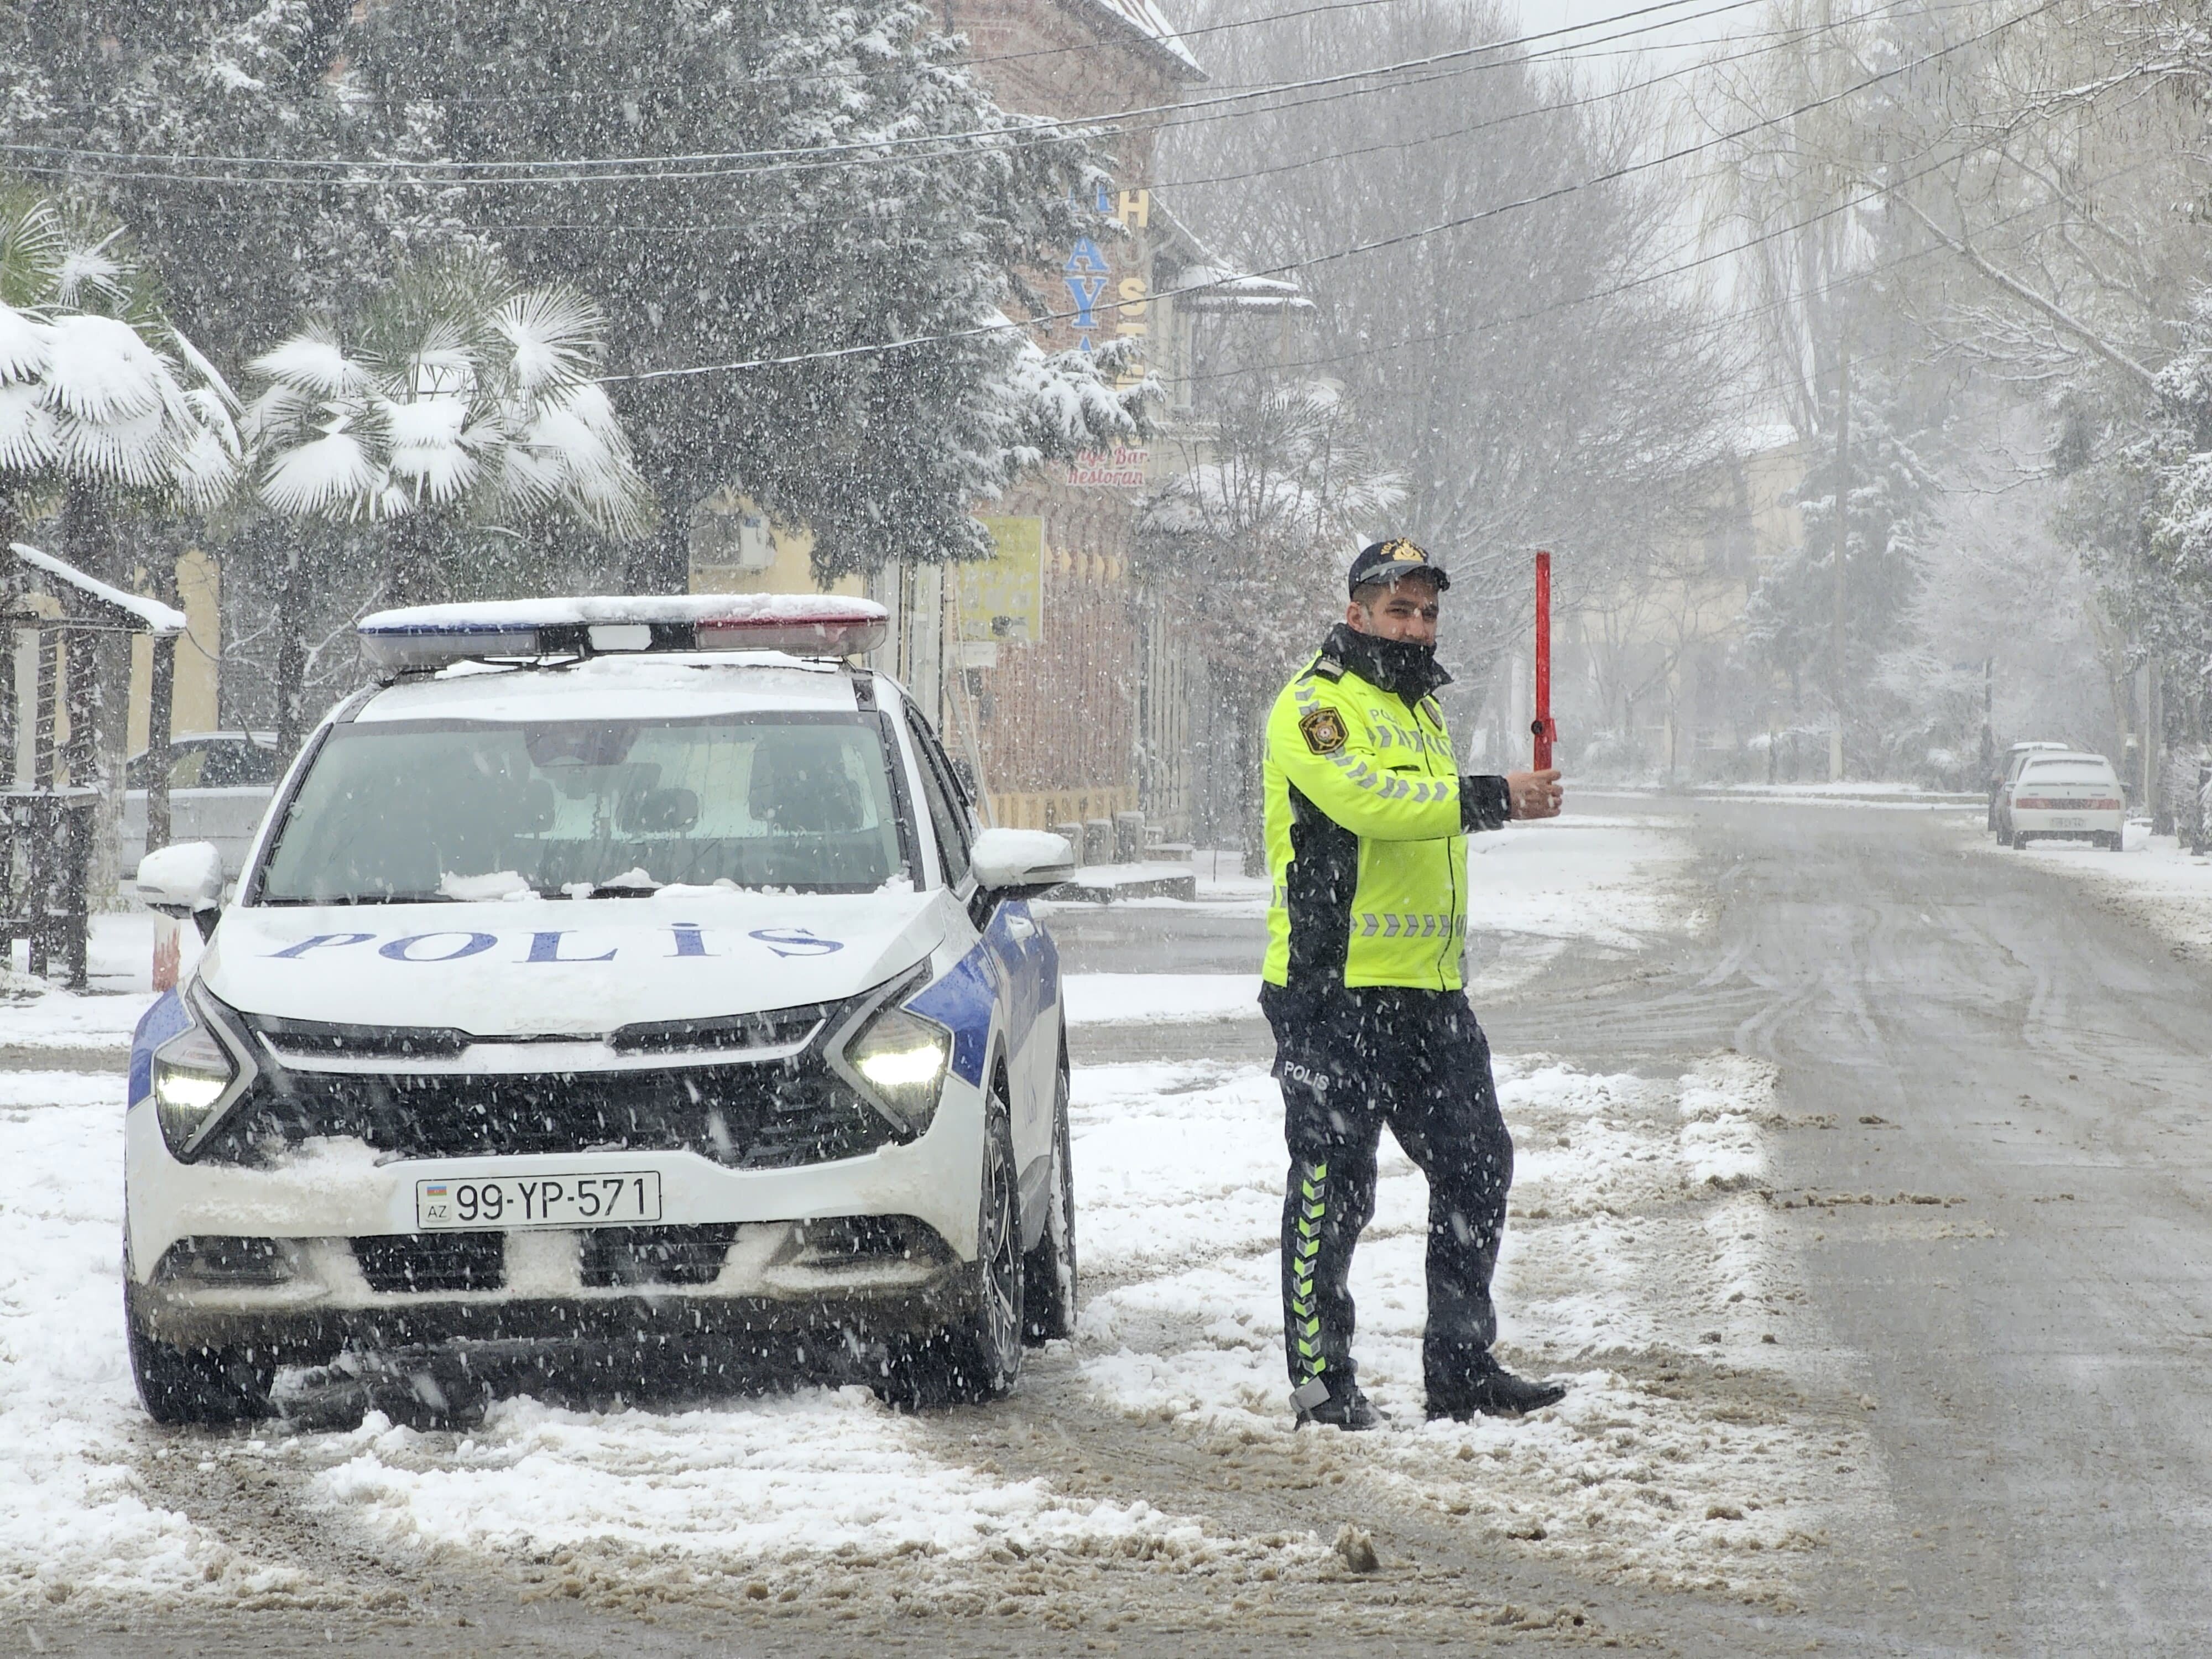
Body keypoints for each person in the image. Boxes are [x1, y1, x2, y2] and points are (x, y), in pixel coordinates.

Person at [1260, 536, 1567, 1431]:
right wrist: (1497, 797)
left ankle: (1462, 1369)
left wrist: (1496, 797)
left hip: (1429, 994)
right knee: (1334, 1185)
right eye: (1400, 609)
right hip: (1332, 992)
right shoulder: (1314, 706)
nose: (1417, 625)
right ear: (1357, 612)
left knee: (1478, 1167)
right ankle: (1323, 1381)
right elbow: (1372, 807)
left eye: (1428, 611)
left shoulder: (1421, 712)